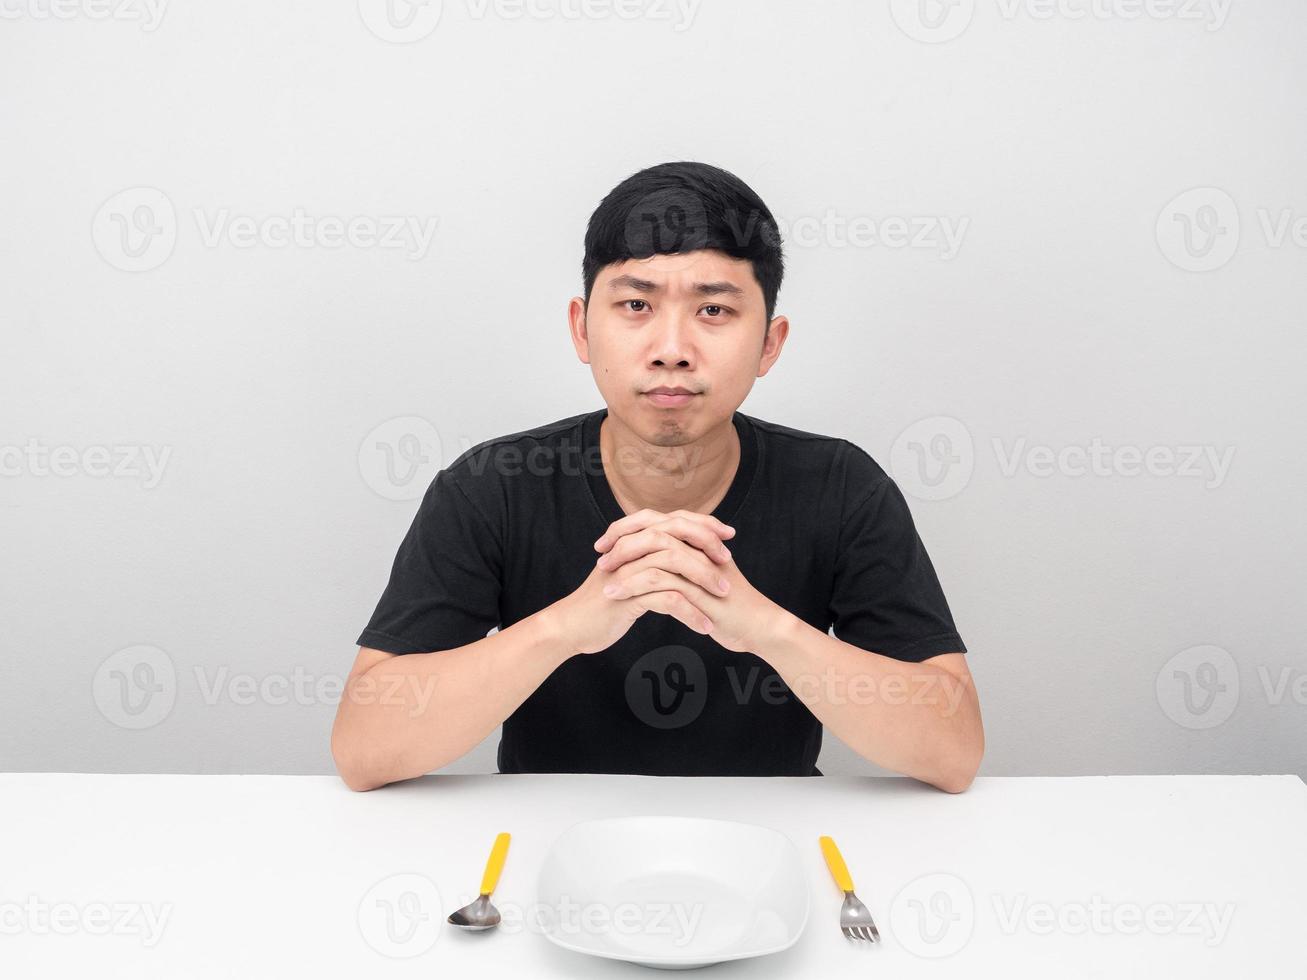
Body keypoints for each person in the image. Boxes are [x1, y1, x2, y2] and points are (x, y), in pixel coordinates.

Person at [331, 161, 983, 792]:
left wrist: (764, 627)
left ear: (769, 344)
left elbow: (952, 754)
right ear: (582, 328)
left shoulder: (839, 486)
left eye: (713, 311)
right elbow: (365, 749)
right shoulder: (492, 485)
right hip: (548, 845)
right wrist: (567, 626)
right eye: (636, 304)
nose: (671, 349)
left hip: (771, 845)